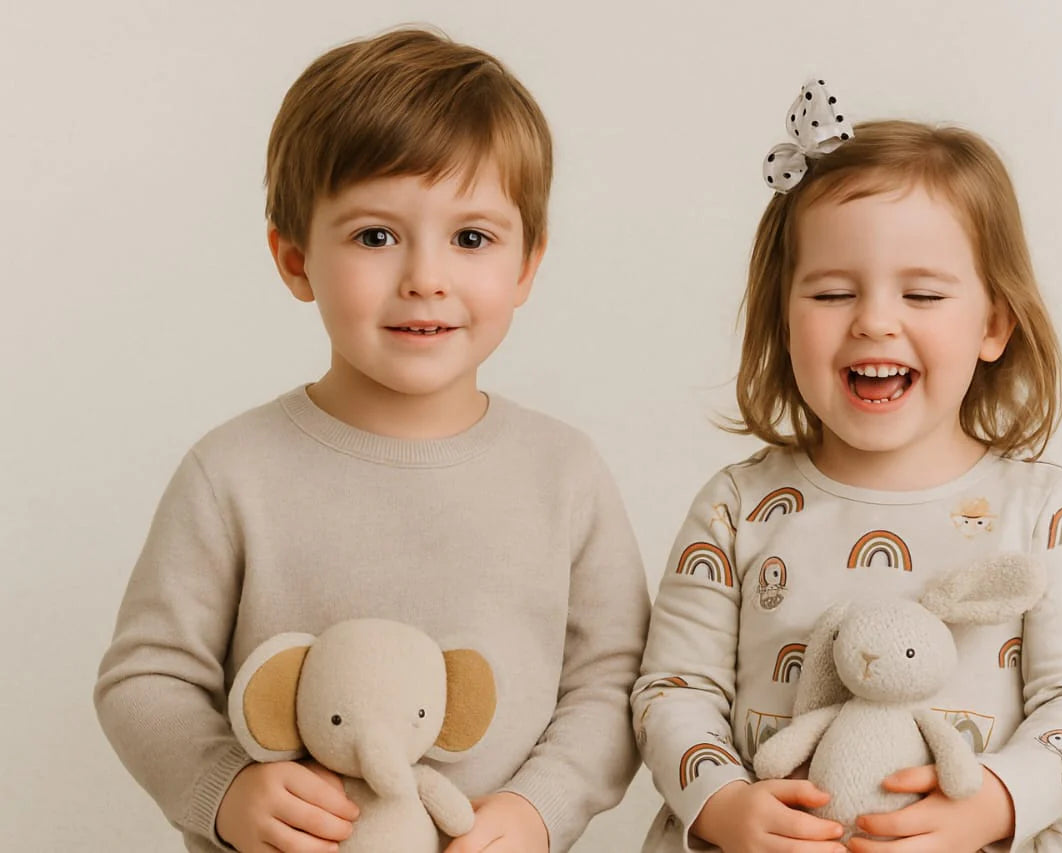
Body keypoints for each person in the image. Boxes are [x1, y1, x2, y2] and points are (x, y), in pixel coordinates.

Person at [94, 27, 649, 853]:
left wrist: (540, 808)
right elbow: (147, 675)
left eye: (471, 238)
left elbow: (614, 682)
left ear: (527, 264)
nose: (426, 277)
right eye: (375, 236)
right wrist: (225, 788)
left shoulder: (564, 472)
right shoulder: (233, 471)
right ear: (295, 259)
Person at [633, 78, 1062, 853]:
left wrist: (991, 804)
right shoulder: (738, 505)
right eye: (832, 293)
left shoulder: (1040, 511)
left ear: (993, 323)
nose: (874, 321)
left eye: (922, 294)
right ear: (782, 318)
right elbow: (674, 687)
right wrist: (724, 803)